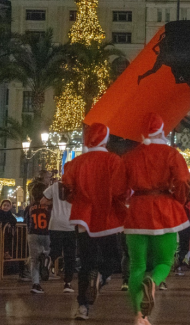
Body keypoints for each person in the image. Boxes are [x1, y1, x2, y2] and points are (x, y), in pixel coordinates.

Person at [122, 113, 190, 325]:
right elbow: (182, 180)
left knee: (137, 266)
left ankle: (139, 316)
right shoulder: (171, 154)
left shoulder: (130, 156)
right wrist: (178, 198)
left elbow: (120, 188)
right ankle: (154, 282)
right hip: (164, 212)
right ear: (163, 130)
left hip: (137, 212)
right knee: (164, 261)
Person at [62, 123, 128, 320]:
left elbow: (66, 189)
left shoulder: (76, 163)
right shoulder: (114, 161)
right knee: (114, 257)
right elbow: (119, 190)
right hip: (107, 216)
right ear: (106, 139)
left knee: (86, 263)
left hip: (83, 218)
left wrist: (78, 199)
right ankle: (101, 276)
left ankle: (82, 307)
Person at [41, 174, 76, 293]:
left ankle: (48, 260)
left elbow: (43, 201)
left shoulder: (55, 186)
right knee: (69, 255)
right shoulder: (77, 187)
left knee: (55, 249)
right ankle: (67, 283)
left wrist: (54, 203)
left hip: (55, 223)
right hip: (70, 225)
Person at [26, 172, 52, 294]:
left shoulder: (30, 207)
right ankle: (45, 260)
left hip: (33, 233)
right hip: (46, 232)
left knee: (33, 260)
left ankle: (36, 284)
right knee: (49, 252)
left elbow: (26, 220)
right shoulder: (49, 206)